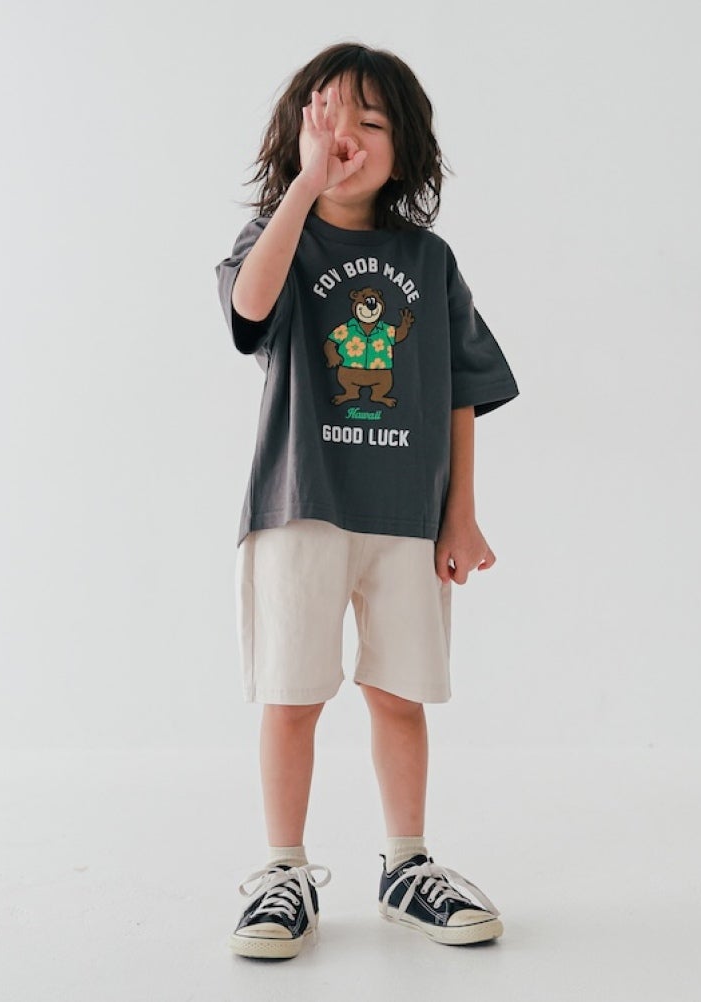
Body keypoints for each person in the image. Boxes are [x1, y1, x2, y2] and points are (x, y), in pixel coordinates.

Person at [214, 42, 520, 960]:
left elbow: (462, 387)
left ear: (406, 147)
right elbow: (250, 312)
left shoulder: (428, 259)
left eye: (372, 122)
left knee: (399, 695)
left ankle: (407, 865)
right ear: (296, 135)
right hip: (299, 507)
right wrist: (304, 190)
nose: (347, 136)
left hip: (405, 519)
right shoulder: (278, 239)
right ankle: (282, 871)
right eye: (328, 119)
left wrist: (461, 512)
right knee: (291, 696)